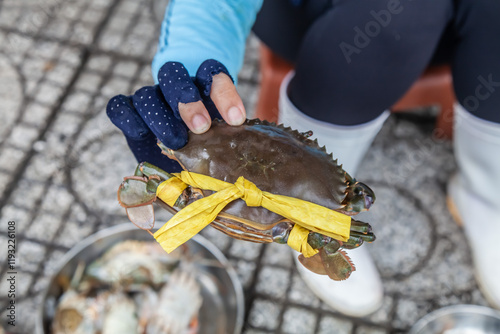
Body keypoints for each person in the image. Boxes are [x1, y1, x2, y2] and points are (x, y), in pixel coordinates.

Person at [107, 0, 500, 316]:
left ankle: (486, 196)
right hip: (319, 15)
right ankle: (314, 237)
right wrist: (191, 75)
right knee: (404, 10)